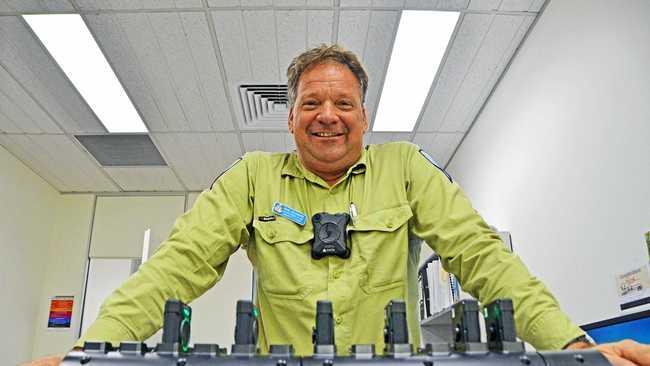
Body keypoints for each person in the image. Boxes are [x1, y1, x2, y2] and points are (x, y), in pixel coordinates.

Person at [27, 44, 650, 366]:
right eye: (311, 104)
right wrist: (92, 350)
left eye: (343, 103)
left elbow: (483, 257)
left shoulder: (405, 169)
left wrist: (574, 349)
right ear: (292, 117)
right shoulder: (251, 178)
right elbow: (176, 265)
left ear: (364, 116)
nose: (328, 115)